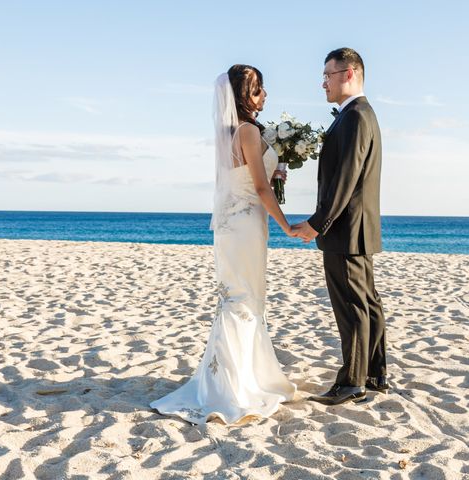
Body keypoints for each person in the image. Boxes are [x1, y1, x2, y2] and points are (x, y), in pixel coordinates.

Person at [150, 65, 296, 425]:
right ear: (247, 95)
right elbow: (260, 189)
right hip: (247, 224)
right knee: (245, 298)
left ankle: (233, 377)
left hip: (232, 226)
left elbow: (244, 176)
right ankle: (235, 386)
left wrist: (274, 171)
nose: (265, 96)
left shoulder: (226, 132)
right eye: (260, 90)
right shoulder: (247, 130)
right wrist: (287, 226)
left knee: (235, 296)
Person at [293, 48, 388, 406]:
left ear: (349, 74)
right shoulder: (360, 115)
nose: (323, 84)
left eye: (328, 76)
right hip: (357, 228)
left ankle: (352, 382)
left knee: (352, 306)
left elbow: (345, 180)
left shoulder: (355, 118)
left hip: (346, 230)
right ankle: (375, 374)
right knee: (366, 303)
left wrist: (317, 224)